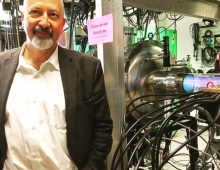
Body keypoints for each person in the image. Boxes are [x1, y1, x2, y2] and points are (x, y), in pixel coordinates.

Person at [0, 0, 113, 169]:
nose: (44, 22)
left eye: (53, 15)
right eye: (35, 12)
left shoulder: (88, 68)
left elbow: (102, 129)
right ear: (23, 17)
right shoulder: (2, 66)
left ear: (62, 24)